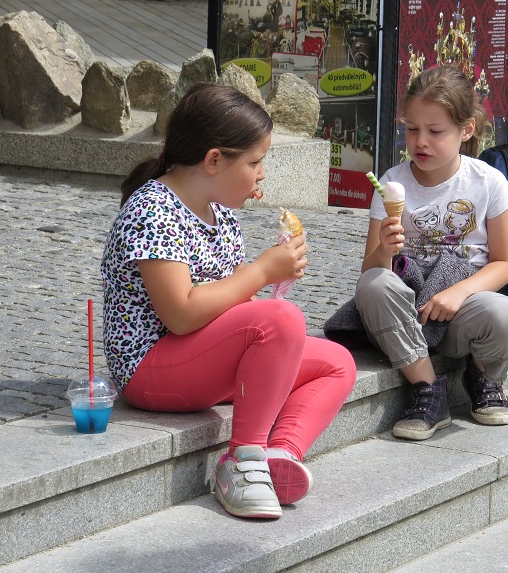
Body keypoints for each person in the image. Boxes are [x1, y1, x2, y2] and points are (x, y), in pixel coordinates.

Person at [100, 83, 357, 520]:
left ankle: (281, 455)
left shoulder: (220, 213)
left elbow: (236, 307)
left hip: (199, 359)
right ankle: (241, 461)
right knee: (281, 319)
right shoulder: (153, 209)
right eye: (255, 162)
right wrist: (260, 272)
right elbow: (180, 314)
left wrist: (273, 280)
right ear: (214, 160)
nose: (261, 174)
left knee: (338, 363)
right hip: (150, 368)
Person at [354, 64, 508, 441]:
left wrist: (458, 291)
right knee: (375, 285)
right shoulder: (391, 183)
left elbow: (505, 264)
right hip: (408, 313)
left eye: (435, 132)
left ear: (466, 130)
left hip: (462, 307)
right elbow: (369, 271)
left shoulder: (487, 182)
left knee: (507, 313)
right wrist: (385, 250)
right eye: (412, 129)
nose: (420, 142)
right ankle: (427, 389)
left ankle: (484, 376)